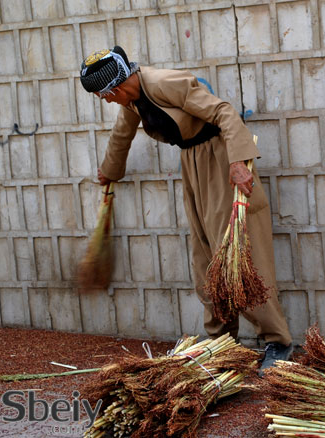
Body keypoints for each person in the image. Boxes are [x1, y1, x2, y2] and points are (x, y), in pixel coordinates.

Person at [79, 46, 293, 371]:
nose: (106, 101)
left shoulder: (164, 82)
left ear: (117, 87)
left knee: (238, 253)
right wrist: (110, 171)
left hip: (220, 158)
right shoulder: (134, 100)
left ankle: (278, 342)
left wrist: (238, 162)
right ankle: (221, 340)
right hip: (192, 163)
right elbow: (121, 136)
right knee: (206, 256)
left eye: (104, 95)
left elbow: (223, 111)